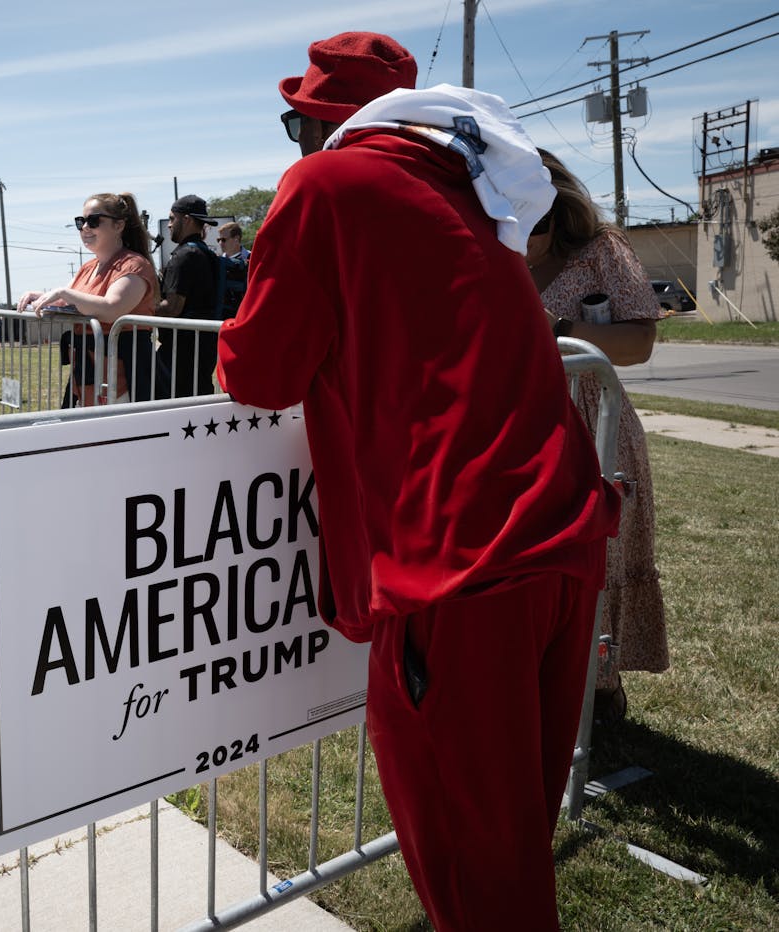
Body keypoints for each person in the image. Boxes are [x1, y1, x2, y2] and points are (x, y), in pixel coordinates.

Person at [216, 34, 620, 931]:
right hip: (559, 534)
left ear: (328, 122)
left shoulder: (326, 184)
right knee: (512, 857)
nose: (296, 144)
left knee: (477, 881)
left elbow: (260, 372)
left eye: (297, 124)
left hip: (461, 564)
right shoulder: (475, 190)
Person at [530, 149, 668, 722]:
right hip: (520, 430)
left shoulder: (601, 250)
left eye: (533, 218)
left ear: (558, 207)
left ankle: (600, 690)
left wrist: (558, 329)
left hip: (596, 426)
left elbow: (639, 343)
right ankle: (541, 689)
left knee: (601, 560)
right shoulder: (485, 248)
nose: (521, 232)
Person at [17, 192, 167, 405]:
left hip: (125, 372)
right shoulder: (87, 267)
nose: (85, 227)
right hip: (88, 371)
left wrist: (64, 293)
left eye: (94, 221)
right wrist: (39, 296)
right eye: (81, 221)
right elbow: (66, 300)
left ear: (118, 226)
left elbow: (113, 308)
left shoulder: (134, 265)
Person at [156, 195, 221, 397]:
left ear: (186, 219)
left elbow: (172, 307)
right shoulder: (207, 253)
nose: (169, 225)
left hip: (181, 352)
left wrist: (138, 310)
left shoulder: (184, 256)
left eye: (172, 219)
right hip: (204, 346)